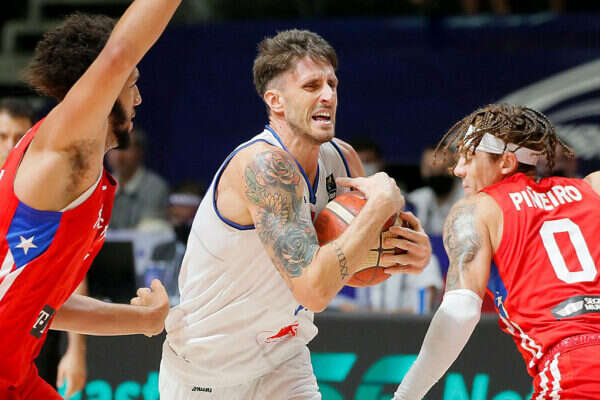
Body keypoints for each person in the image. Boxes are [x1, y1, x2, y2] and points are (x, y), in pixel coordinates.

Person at [159, 29, 432, 400]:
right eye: (311, 86)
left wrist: (405, 254)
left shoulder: (343, 159)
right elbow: (314, 289)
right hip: (209, 368)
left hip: (284, 358)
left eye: (332, 84)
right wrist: (380, 205)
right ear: (276, 101)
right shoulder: (263, 167)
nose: (328, 95)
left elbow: (346, 263)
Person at [0, 1, 182, 398]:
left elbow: (45, 306)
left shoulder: (84, 172)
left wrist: (142, 320)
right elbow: (119, 52)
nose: (138, 98)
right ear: (103, 87)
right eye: (131, 84)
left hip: (16, 374)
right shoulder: (64, 149)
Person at [394, 104, 600, 400]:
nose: (458, 169)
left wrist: (405, 396)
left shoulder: (477, 209)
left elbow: (461, 312)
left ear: (506, 162)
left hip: (573, 372)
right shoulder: (593, 188)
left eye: (468, 157)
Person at [0, 97, 88, 398]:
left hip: (35, 333)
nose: (10, 145)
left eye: (18, 137)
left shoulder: (49, 196)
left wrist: (76, 350)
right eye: (2, 136)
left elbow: (72, 273)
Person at [107, 128, 171, 230]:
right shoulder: (101, 187)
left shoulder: (155, 187)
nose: (119, 155)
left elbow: (149, 229)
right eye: (113, 148)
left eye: (125, 148)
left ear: (140, 152)